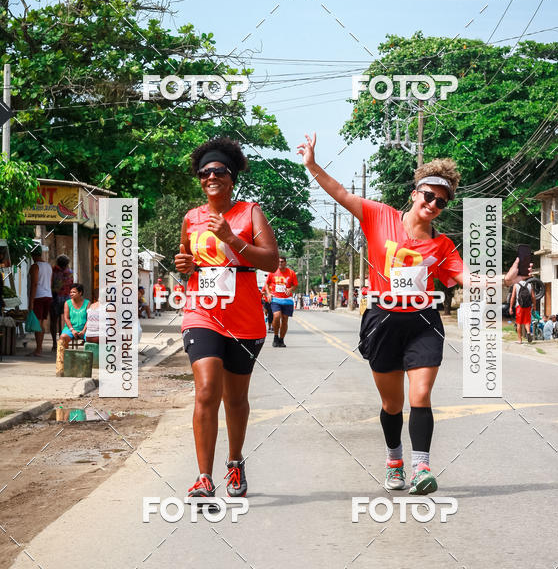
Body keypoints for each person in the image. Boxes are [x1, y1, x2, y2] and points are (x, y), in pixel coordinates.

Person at [298, 132, 527, 495]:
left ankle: (422, 467)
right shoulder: (378, 216)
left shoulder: (442, 244)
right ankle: (395, 461)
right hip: (382, 320)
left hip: (422, 322)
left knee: (420, 396)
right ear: (414, 193)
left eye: (442, 201)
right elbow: (341, 194)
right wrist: (312, 164)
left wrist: (503, 278)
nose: (434, 204)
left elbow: (465, 277)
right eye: (429, 196)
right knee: (392, 403)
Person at [175, 136, 278, 503]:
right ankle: (204, 477)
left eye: (218, 171)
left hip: (245, 319)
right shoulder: (192, 217)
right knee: (206, 390)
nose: (211, 177)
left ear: (231, 177)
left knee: (236, 399)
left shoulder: (249, 213)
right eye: (205, 173)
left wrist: (232, 239)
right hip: (201, 313)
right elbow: (190, 265)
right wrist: (185, 266)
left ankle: (234, 461)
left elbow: (270, 262)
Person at [265, 255, 298, 347]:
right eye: (279, 261)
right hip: (275, 299)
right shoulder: (272, 272)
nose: (280, 263)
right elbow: (267, 284)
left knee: (284, 320)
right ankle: (275, 336)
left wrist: (290, 289)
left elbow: (295, 285)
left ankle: (281, 339)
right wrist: (268, 293)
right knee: (276, 316)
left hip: (287, 300)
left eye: (282, 261)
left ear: (285, 262)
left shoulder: (291, 273)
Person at [28, 245, 53, 357]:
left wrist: (31, 301)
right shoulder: (48, 266)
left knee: (37, 323)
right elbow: (50, 282)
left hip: (38, 296)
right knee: (41, 322)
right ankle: (39, 348)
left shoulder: (35, 266)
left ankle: (38, 350)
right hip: (48, 295)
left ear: (33, 255)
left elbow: (34, 284)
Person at [50, 254, 73, 351]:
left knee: (53, 321)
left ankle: (55, 344)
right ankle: (62, 342)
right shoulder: (70, 272)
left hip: (55, 297)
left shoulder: (53, 271)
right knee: (65, 321)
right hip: (67, 299)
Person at [509, 276, 535, 344]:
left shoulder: (516, 285)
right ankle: (528, 332)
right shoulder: (529, 285)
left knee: (519, 323)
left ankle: (520, 340)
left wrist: (511, 307)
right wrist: (534, 305)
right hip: (527, 306)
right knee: (527, 322)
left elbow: (513, 297)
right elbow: (533, 296)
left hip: (519, 306)